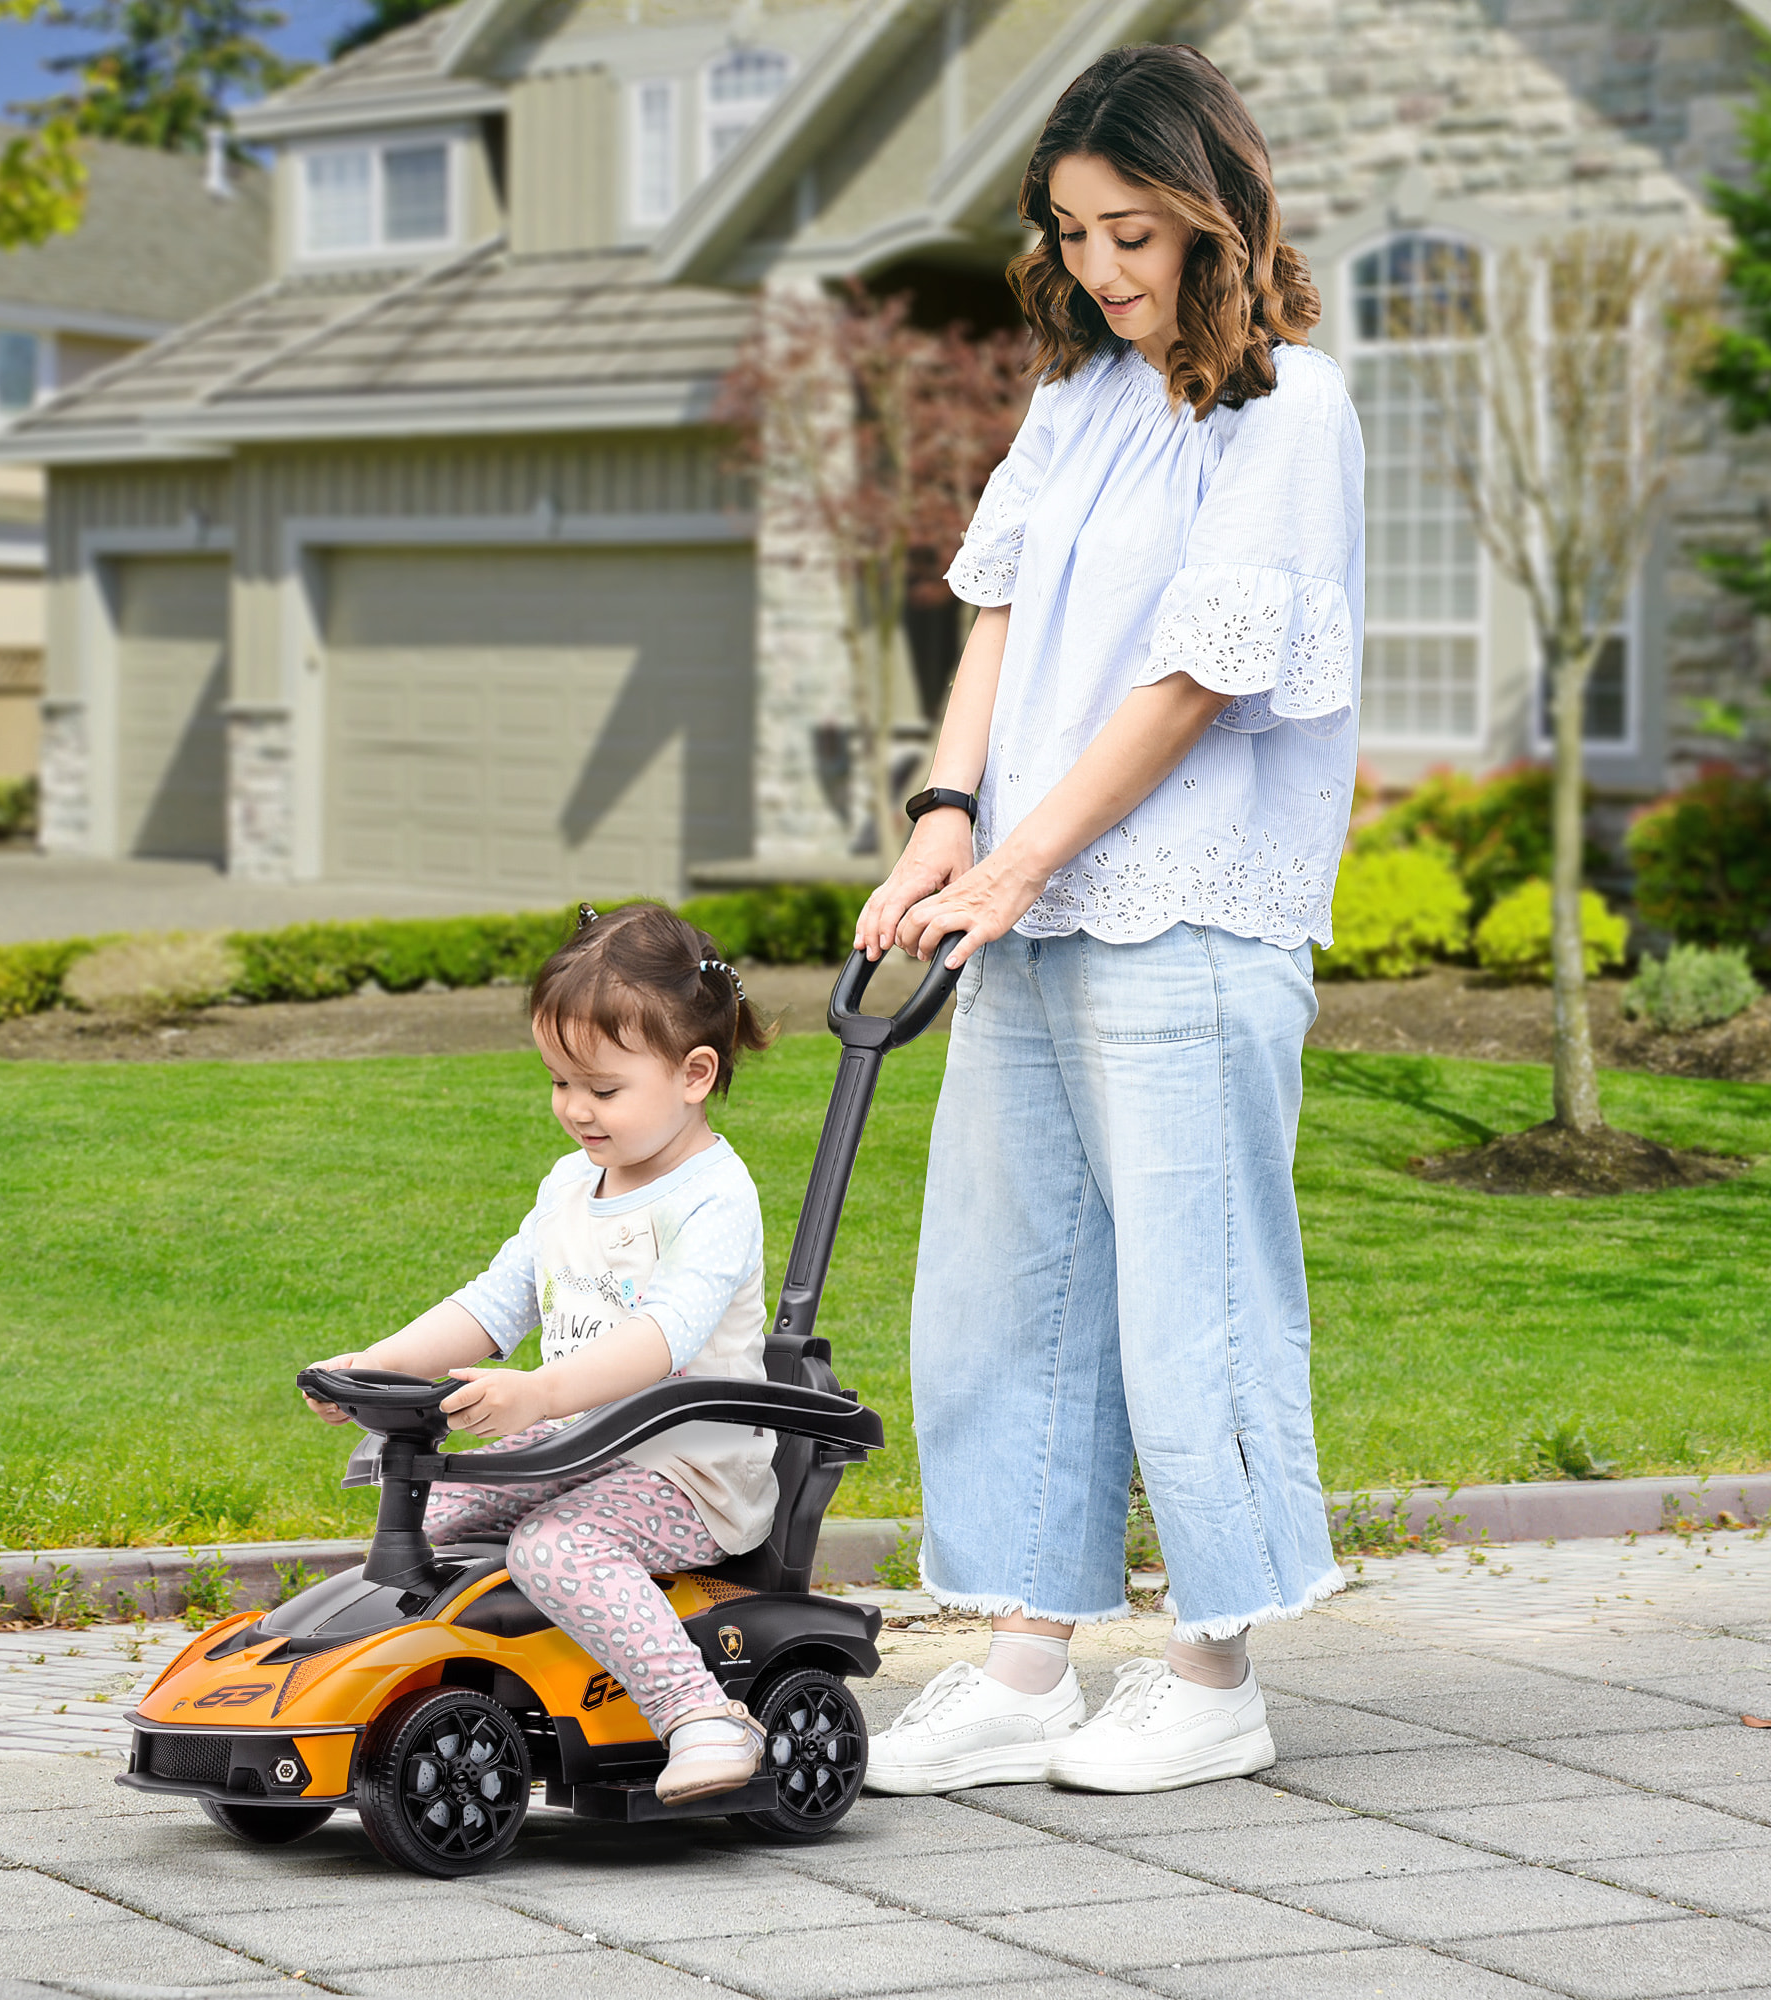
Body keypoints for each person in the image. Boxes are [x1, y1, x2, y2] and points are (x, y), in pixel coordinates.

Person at [857, 43, 1364, 1797]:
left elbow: (1194, 684)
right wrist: (943, 822)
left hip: (1189, 918)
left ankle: (1217, 1668)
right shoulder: (1073, 403)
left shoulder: (1287, 412)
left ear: (1220, 215)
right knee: (1009, 1292)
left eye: (1136, 231)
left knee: (1191, 1297)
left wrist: (1014, 863)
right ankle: (1022, 1665)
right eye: (1073, 234)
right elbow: (993, 618)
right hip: (1033, 916)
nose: (1103, 268)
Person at [304, 901, 778, 1806]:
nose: (575, 1110)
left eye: (601, 1089)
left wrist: (539, 1393)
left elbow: (663, 1339)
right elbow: (492, 1305)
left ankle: (698, 1714)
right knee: (431, 1508)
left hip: (685, 1472)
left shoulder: (714, 1197)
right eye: (560, 1082)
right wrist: (381, 1363)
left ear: (694, 1073)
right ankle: (449, 1692)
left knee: (558, 1545)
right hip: (575, 1447)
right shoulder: (571, 1184)